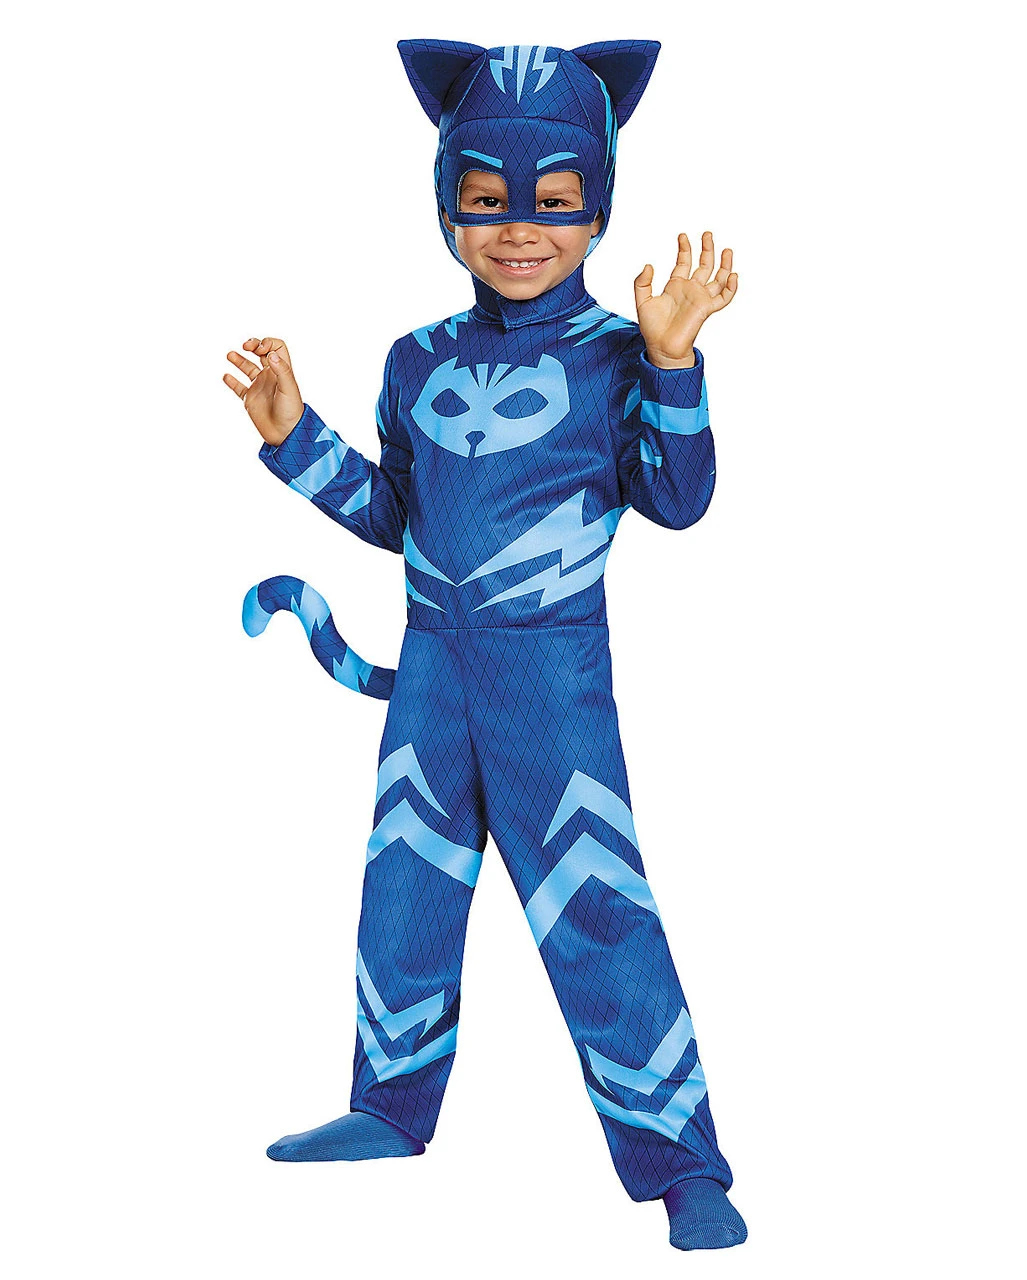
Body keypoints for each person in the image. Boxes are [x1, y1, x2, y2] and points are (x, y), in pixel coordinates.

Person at [223, 39, 744, 1252]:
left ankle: (683, 1163)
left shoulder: (617, 353)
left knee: (596, 904)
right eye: (484, 198)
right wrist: (295, 437)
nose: (518, 229)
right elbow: (397, 515)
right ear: (446, 202)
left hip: (549, 677)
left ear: (597, 207)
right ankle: (388, 1104)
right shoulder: (416, 359)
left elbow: (678, 499)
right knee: (403, 879)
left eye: (554, 201)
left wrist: (673, 362)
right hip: (430, 668)